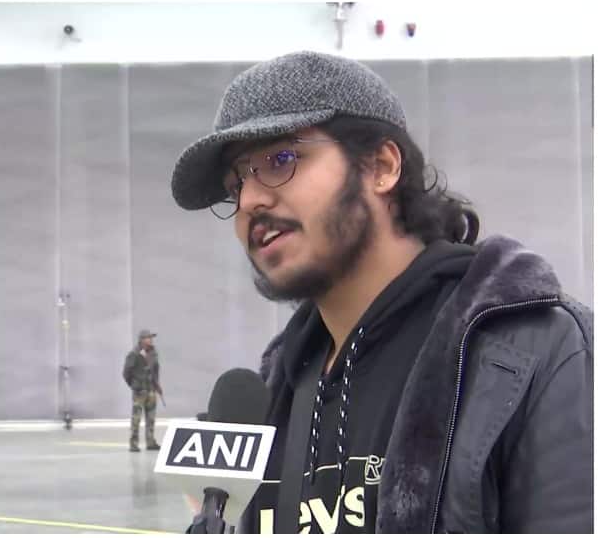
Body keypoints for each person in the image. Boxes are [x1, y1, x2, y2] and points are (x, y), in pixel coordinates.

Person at [169, 51, 592, 533]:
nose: (249, 201)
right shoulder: (275, 388)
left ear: (382, 166)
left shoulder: (531, 356)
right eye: (236, 185)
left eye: (280, 160)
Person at [123, 329, 163, 452]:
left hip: (151, 389)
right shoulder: (134, 354)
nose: (150, 340)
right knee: (136, 418)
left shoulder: (153, 353)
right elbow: (126, 372)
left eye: (151, 338)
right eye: (148, 338)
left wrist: (157, 385)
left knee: (151, 418)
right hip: (139, 391)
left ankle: (150, 441)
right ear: (142, 339)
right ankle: (133, 443)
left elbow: (156, 370)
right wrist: (134, 385)